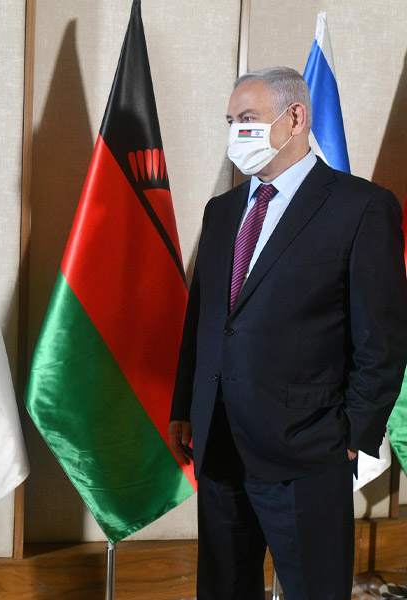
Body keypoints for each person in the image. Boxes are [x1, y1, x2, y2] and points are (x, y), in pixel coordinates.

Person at [168, 66, 407, 600]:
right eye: (231, 121)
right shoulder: (223, 210)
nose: (235, 132)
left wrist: (350, 436)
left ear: (295, 117)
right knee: (224, 589)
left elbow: (383, 341)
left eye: (247, 119)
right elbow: (205, 320)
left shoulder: (361, 207)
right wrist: (185, 404)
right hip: (220, 444)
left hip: (309, 450)